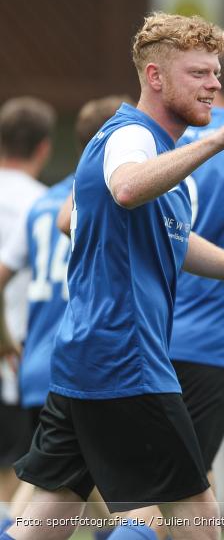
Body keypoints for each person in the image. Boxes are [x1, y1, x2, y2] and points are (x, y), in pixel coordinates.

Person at [4, 12, 224, 540]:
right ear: (155, 77)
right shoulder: (131, 137)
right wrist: (221, 142)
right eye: (198, 74)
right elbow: (128, 188)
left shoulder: (163, 151)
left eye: (216, 72)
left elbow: (174, 240)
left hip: (92, 355)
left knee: (41, 523)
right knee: (195, 520)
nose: (214, 85)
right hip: (125, 358)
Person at [0, 96, 130, 537]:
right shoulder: (106, 196)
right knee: (110, 492)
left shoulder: (44, 204)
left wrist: (5, 338)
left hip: (34, 358)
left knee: (54, 484)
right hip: (82, 355)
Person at [0, 97, 55, 529]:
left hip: (20, 356)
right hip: (21, 353)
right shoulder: (46, 205)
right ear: (44, 148)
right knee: (16, 469)